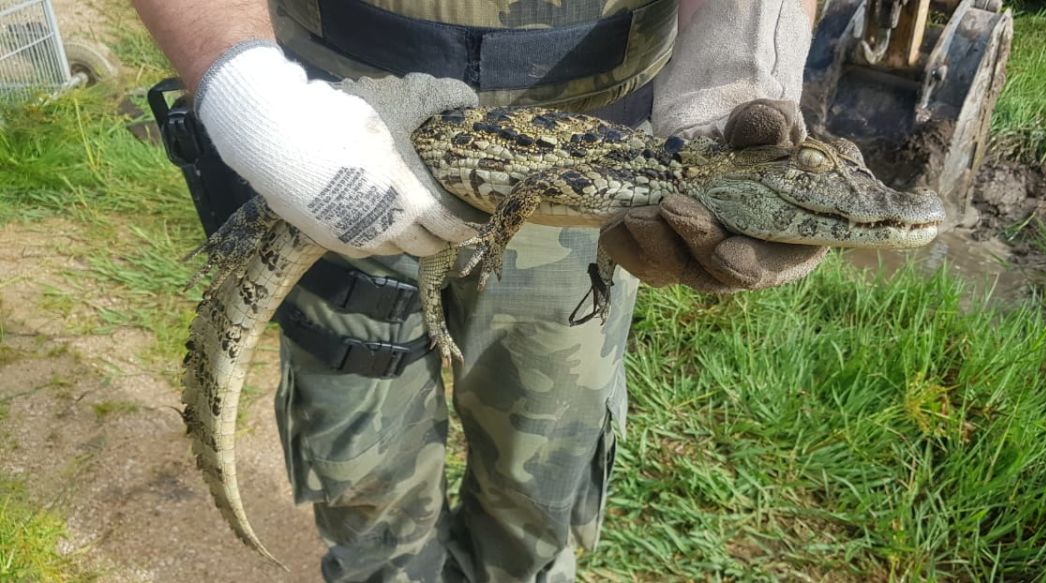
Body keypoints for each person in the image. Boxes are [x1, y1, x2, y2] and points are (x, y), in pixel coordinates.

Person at [131, 0, 827, 580]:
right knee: (362, 482)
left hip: (595, 171)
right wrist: (249, 93)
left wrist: (740, 64)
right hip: (328, 139)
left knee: (539, 490)